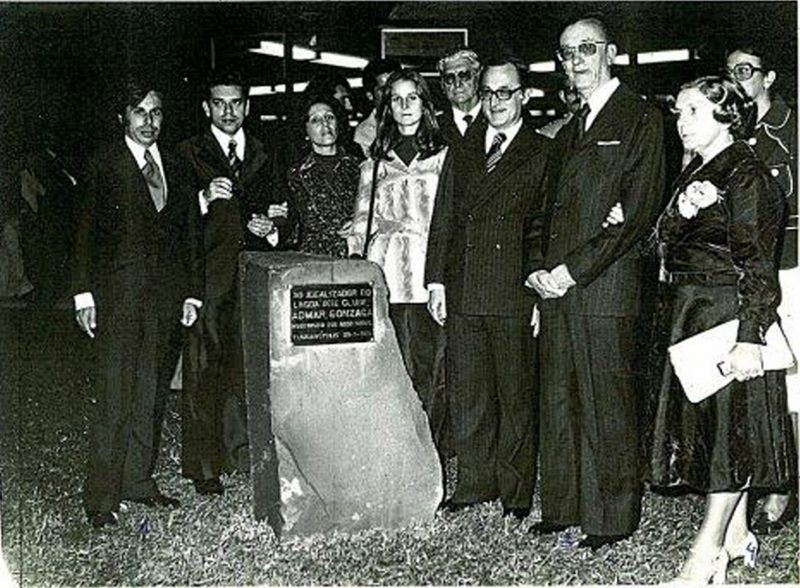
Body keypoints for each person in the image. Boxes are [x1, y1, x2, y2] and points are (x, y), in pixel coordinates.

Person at [645, 76, 794, 583]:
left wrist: (750, 335)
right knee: (719, 430)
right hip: (692, 311)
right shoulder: (698, 171)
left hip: (726, 315)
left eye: (692, 111)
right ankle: (736, 538)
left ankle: (704, 555)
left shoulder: (746, 175)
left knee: (728, 439)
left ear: (726, 116)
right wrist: (685, 209)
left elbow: (757, 264)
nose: (681, 121)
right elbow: (659, 241)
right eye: (680, 111)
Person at [526, 17, 665, 548]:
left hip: (603, 287)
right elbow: (544, 209)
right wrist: (539, 266)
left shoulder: (640, 119)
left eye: (586, 49)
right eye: (566, 53)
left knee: (606, 403)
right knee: (558, 400)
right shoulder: (569, 128)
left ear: (609, 52)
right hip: (556, 287)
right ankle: (562, 507)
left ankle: (610, 519)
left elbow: (633, 217)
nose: (576, 60)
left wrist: (570, 270)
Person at [72, 76, 200, 528]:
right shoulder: (103, 164)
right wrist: (84, 293)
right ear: (122, 117)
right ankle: (101, 498)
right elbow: (84, 233)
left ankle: (138, 483)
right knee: (115, 396)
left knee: (149, 395)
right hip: (117, 301)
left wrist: (191, 292)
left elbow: (189, 235)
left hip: (164, 302)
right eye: (140, 112)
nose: (149, 121)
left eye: (156, 112)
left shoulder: (177, 165)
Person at [425, 56, 549, 520]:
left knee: (516, 396)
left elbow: (545, 227)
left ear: (523, 96)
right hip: (464, 290)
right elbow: (445, 219)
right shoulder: (464, 147)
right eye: (490, 92)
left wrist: (538, 291)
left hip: (514, 291)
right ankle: (475, 482)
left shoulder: (542, 151)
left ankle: (516, 493)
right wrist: (436, 280)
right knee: (469, 393)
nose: (496, 102)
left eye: (505, 92)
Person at [177, 68, 297, 496]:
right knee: (203, 368)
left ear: (247, 106)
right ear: (207, 107)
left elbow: (287, 212)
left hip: (253, 276)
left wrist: (274, 228)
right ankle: (204, 468)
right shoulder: (186, 153)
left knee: (247, 368)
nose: (228, 111)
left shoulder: (267, 152)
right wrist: (203, 198)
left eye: (236, 103)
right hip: (207, 276)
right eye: (219, 103)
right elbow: (172, 217)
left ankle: (242, 454)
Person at [345, 68, 450, 476]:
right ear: (386, 107)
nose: (405, 107)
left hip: (430, 275)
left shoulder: (444, 156)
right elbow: (360, 222)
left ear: (425, 104)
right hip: (387, 273)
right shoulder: (375, 162)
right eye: (397, 99)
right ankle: (397, 458)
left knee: (434, 368)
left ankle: (431, 457)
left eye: (413, 98)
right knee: (395, 368)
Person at [726, 45, 798, 534]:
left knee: (795, 382)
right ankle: (774, 481)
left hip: (792, 267)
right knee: (766, 380)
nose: (738, 79)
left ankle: (784, 488)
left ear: (768, 76)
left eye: (746, 71)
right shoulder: (731, 133)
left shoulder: (791, 129)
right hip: (748, 277)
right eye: (730, 72)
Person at [287, 94, 361, 257]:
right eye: (315, 120)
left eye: (329, 117)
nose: (325, 124)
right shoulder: (295, 175)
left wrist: (359, 224)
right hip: (314, 263)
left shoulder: (362, 167)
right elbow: (291, 227)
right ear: (305, 130)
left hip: (357, 257)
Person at [353, 58, 401, 157]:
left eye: (395, 86)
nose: (391, 93)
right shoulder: (364, 134)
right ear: (370, 95)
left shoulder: (418, 117)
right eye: (384, 89)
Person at [436, 48, 483, 145]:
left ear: (477, 78)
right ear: (442, 85)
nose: (457, 84)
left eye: (464, 76)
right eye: (450, 78)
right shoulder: (435, 126)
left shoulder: (494, 117)